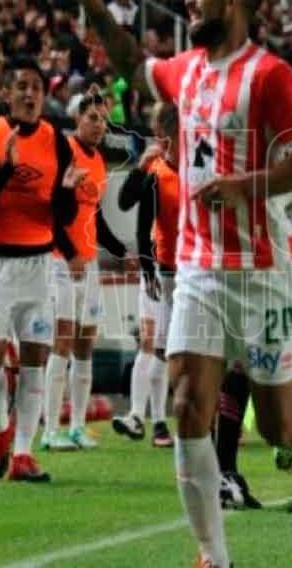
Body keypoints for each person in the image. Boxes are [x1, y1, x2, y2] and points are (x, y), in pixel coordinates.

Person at [59, 0, 292, 567]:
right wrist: (90, 2)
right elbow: (133, 60)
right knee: (187, 404)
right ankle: (215, 558)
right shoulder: (185, 70)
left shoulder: (269, 76)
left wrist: (246, 185)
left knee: (276, 427)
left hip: (265, 273)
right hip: (197, 269)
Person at [0, 55, 84, 483]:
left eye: (36, 87)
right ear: (6, 93)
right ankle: (0, 430)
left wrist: (67, 194)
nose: (30, 94)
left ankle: (24, 454)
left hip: (38, 265)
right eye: (22, 86)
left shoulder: (57, 142)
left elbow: (63, 214)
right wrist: (7, 170)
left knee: (35, 357)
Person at [41, 90, 127, 452]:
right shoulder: (65, 151)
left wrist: (121, 252)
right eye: (92, 118)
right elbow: (52, 211)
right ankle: (49, 430)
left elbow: (96, 217)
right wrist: (71, 253)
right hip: (61, 261)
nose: (98, 125)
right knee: (61, 342)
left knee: (85, 344)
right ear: (78, 118)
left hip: (88, 263)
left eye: (103, 120)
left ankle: (77, 426)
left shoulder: (99, 162)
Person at [113, 100, 179, 449]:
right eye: (159, 133)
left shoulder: (197, 166)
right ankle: (143, 417)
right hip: (158, 269)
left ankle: (161, 421)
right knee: (153, 343)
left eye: (166, 132)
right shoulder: (155, 168)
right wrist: (139, 167)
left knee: (171, 348)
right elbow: (128, 205)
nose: (162, 139)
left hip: (192, 271)